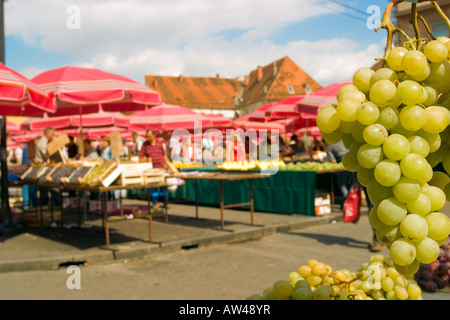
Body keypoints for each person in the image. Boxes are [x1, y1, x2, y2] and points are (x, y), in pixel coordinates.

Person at [139, 129, 179, 210]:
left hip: (161, 168)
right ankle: (155, 203)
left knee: (163, 187)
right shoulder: (145, 144)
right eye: (147, 137)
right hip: (151, 170)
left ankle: (166, 202)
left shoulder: (160, 143)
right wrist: (144, 161)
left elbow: (164, 156)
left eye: (149, 136)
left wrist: (170, 166)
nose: (148, 138)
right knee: (153, 187)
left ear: (154, 136)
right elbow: (141, 156)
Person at [34, 128, 61, 206]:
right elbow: (46, 155)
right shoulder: (42, 143)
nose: (53, 136)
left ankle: (51, 204)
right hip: (43, 168)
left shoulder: (45, 142)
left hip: (46, 167)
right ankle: (47, 205)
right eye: (52, 134)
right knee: (46, 188)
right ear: (48, 133)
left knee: (48, 188)